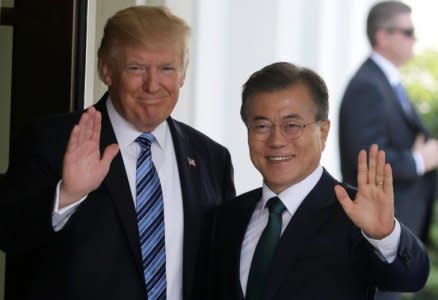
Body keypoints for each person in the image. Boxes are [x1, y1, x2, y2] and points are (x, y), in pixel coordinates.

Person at [0, 5, 235, 300]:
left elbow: (222, 268)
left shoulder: (212, 158)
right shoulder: (52, 140)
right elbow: (9, 234)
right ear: (106, 70)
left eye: (166, 68)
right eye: (136, 68)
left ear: (183, 74)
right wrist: (67, 195)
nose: (152, 84)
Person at [207, 62, 429, 300]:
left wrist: (385, 236)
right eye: (261, 126)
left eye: (292, 125)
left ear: (323, 132)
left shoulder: (356, 214)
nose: (276, 140)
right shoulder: (226, 218)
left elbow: (411, 276)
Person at [339, 3, 438, 298]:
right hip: (376, 238)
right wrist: (420, 160)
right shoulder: (367, 86)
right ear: (383, 35)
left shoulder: (387, 83)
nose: (414, 39)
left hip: (392, 236)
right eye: (408, 32)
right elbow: (366, 164)